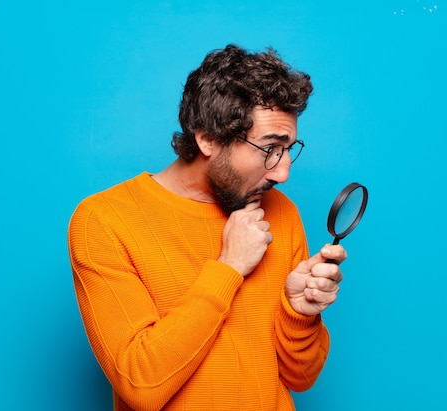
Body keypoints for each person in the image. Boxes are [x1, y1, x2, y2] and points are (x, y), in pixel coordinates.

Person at [67, 44, 346, 411]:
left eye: (289, 149)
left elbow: (301, 378)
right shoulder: (103, 220)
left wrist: (299, 312)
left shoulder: (281, 212)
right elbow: (141, 384)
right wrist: (229, 268)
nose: (283, 172)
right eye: (269, 149)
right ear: (208, 139)